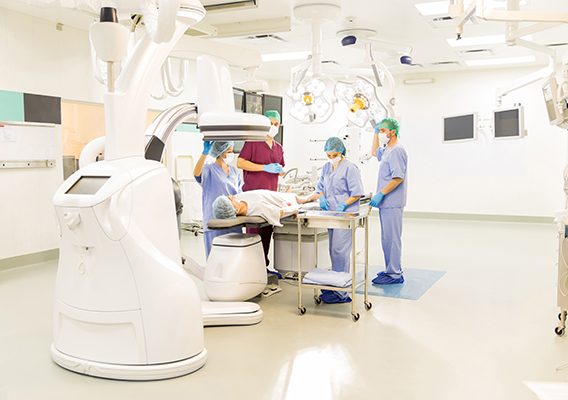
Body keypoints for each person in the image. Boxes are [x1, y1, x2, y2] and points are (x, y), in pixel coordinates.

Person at [302, 137, 364, 303]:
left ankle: (342, 292)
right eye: (328, 155)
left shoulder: (350, 168)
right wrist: (319, 198)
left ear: (341, 152)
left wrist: (343, 205)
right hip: (330, 213)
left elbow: (357, 192)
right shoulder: (326, 168)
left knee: (340, 252)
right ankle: (335, 286)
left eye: (334, 155)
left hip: (345, 215)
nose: (331, 158)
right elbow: (320, 188)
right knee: (333, 251)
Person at [237, 109, 285, 269]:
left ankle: (263, 268)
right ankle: (251, 269)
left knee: (266, 234)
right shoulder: (253, 142)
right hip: (253, 197)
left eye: (276, 124)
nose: (273, 126)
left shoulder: (278, 147)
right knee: (253, 236)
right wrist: (264, 167)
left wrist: (279, 170)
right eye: (270, 123)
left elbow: (281, 167)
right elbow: (240, 163)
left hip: (270, 197)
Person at [369, 117, 408, 285]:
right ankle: (390, 269)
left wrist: (381, 194)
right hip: (386, 203)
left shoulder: (397, 150)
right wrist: (375, 132)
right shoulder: (387, 149)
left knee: (392, 239)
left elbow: (398, 178)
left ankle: (395, 274)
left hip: (392, 201)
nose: (381, 134)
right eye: (380, 131)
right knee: (387, 238)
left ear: (393, 132)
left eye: (383, 131)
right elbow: (373, 152)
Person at [194, 140, 243, 258]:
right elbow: (196, 174)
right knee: (215, 260)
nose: (232, 154)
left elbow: (240, 194)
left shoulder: (235, 171)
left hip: (233, 221)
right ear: (220, 152)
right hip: (213, 221)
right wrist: (204, 153)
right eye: (229, 151)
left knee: (233, 260)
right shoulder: (209, 169)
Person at [212, 190, 301, 227]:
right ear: (236, 210)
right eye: (230, 199)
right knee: (303, 199)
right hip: (290, 200)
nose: (231, 196)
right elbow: (280, 212)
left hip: (282, 195)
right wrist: (296, 209)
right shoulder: (258, 208)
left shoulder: (239, 198)